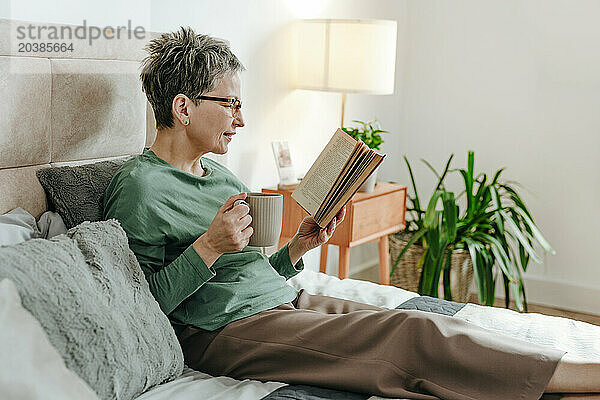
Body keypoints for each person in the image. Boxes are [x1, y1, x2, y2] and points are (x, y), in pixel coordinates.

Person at [103, 27, 600, 400]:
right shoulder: (140, 189)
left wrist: (298, 248)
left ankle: (547, 368)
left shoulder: (221, 177)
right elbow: (138, 309)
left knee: (407, 317)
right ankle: (580, 378)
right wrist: (208, 246)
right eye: (230, 103)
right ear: (183, 107)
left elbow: (247, 272)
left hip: (284, 300)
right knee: (413, 337)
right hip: (224, 332)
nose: (241, 118)